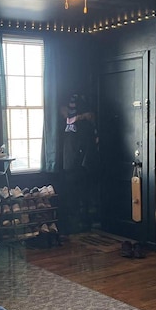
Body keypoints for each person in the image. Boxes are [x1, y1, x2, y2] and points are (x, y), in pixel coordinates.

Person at [61, 93, 99, 234]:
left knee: (84, 192)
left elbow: (91, 143)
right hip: (71, 162)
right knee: (72, 192)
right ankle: (75, 223)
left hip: (83, 162)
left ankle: (85, 221)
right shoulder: (67, 127)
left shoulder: (85, 128)